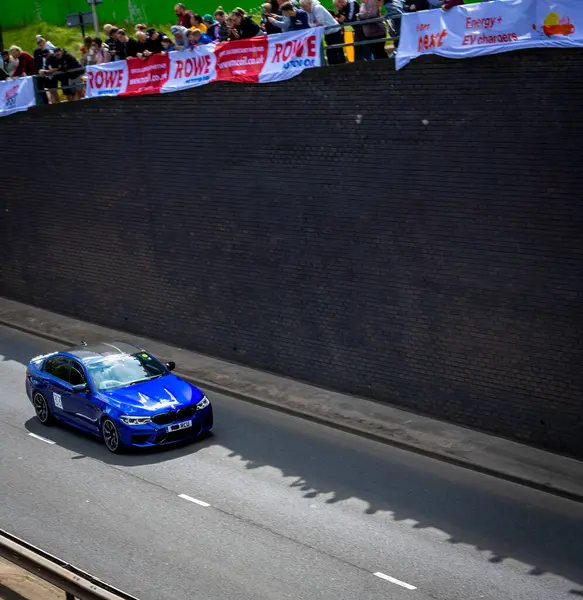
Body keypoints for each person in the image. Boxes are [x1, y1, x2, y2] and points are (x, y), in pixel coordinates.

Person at [300, 0, 346, 64]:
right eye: (302, 7)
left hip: (334, 31)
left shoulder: (317, 8)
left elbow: (320, 22)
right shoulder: (309, 11)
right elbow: (310, 23)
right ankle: (337, 65)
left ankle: (340, 66)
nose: (303, 9)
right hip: (328, 32)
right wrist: (314, 24)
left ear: (309, 4)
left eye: (304, 6)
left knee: (335, 50)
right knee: (332, 51)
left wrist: (313, 24)